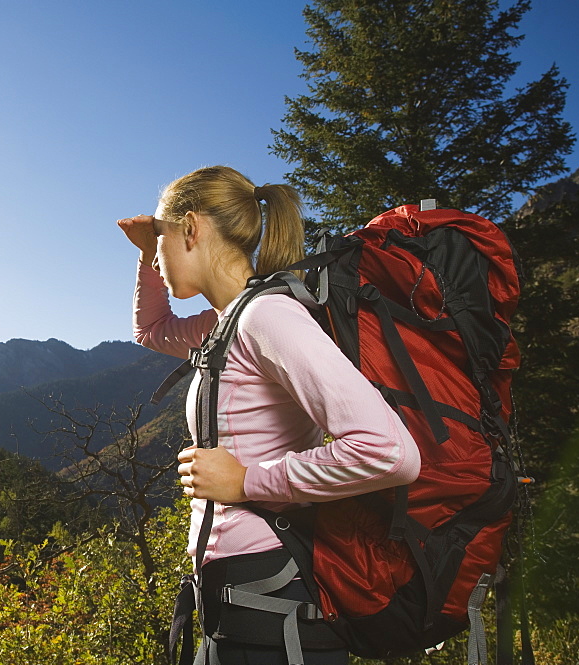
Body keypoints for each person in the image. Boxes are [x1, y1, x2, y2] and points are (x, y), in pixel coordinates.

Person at [117, 166, 420, 665]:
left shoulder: (267, 316)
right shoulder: (226, 322)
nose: (157, 254)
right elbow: (152, 329)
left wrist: (246, 482)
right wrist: (146, 253)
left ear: (191, 229)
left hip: (273, 611)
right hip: (237, 606)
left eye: (163, 238)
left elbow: (389, 452)